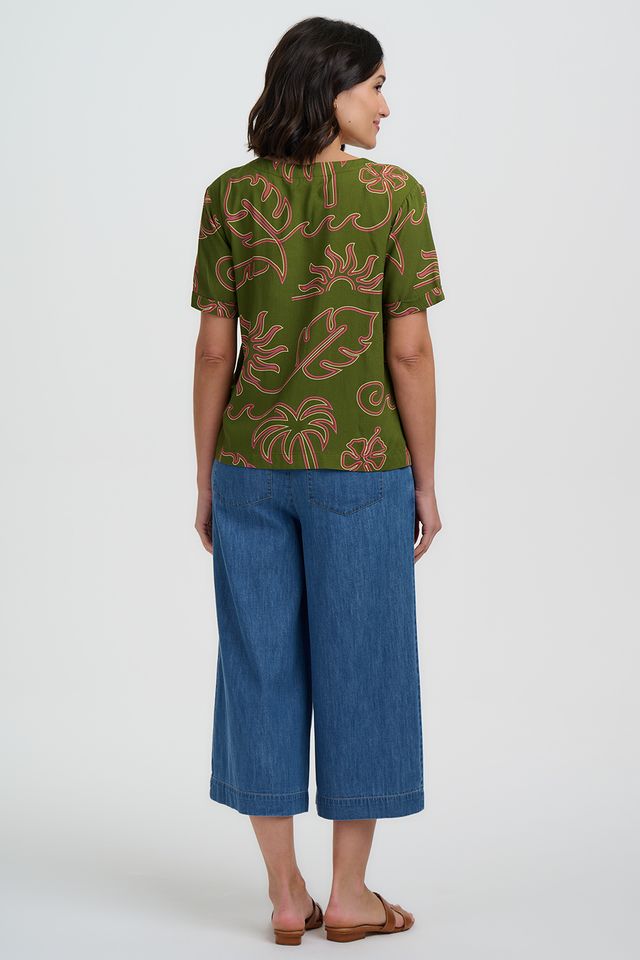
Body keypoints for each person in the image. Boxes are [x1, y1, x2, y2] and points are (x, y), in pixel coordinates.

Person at [190, 16, 445, 946]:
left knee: (258, 666)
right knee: (363, 667)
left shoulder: (229, 196)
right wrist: (425, 483)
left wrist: (207, 479)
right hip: (361, 464)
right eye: (374, 84)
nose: (386, 104)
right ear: (329, 89)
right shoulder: (393, 196)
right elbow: (408, 351)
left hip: (249, 465)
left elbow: (214, 350)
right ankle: (349, 894)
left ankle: (284, 892)